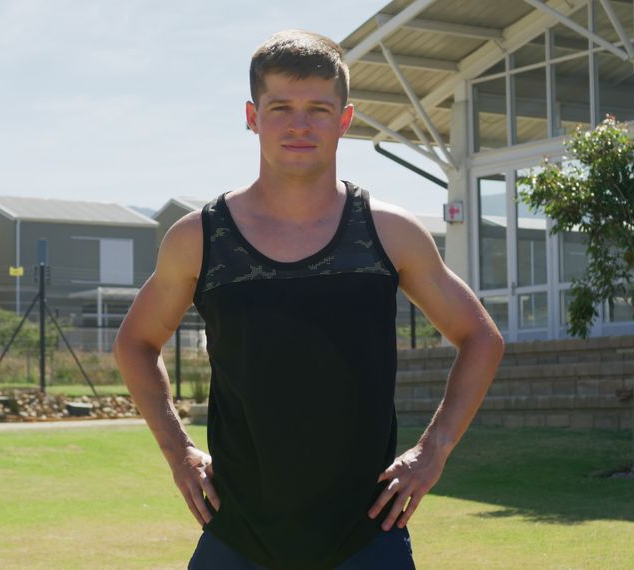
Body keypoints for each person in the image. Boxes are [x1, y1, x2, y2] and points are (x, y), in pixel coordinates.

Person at [114, 29, 504, 570]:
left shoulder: (389, 233)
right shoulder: (200, 238)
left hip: (367, 535)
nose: (300, 125)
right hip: (239, 533)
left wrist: (432, 451)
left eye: (319, 109)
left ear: (345, 120)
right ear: (252, 116)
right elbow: (135, 342)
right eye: (281, 108)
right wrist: (178, 452)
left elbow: (480, 336)